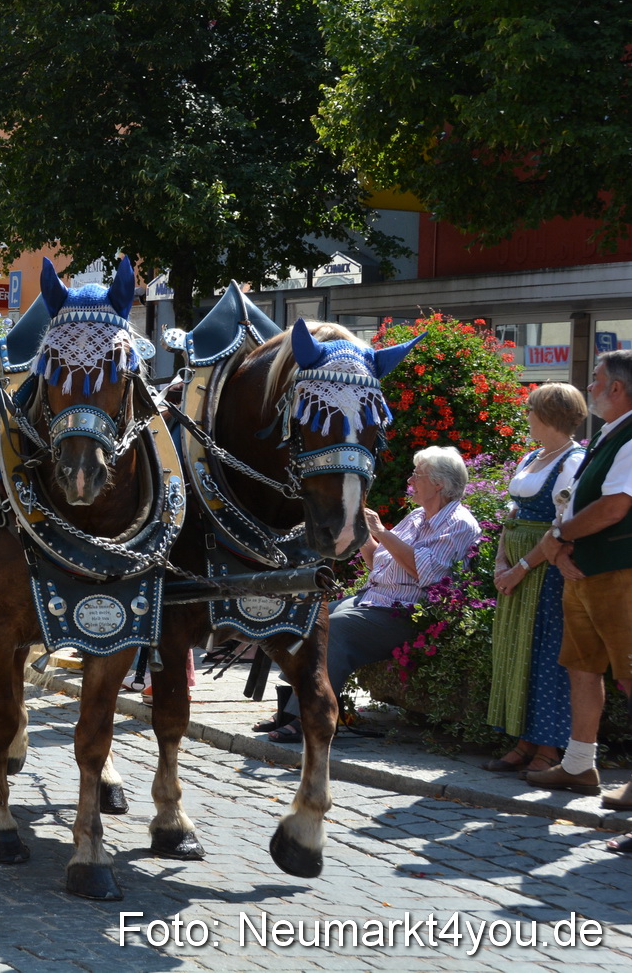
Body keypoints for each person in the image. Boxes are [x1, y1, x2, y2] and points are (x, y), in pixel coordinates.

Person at [262, 445, 481, 743]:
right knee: (307, 617)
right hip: (375, 600)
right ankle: (289, 709)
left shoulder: (459, 524)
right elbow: (380, 562)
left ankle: (310, 719)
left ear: (439, 483)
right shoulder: (417, 516)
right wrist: (363, 531)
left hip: (407, 614)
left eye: (417, 475)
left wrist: (382, 532)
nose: (410, 481)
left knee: (334, 629)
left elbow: (427, 574)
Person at [522, 352, 632, 848]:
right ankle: (579, 765)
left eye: (596, 380)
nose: (589, 387)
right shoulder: (611, 433)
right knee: (582, 667)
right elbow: (583, 501)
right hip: (588, 570)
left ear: (618, 389)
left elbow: (614, 508)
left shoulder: (630, 436)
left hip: (619, 571)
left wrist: (561, 537)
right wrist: (562, 545)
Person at [483, 383, 587, 775]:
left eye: (530, 409)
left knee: (545, 653)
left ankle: (548, 748)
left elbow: (561, 528)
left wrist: (520, 568)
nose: (526, 415)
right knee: (518, 652)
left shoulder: (573, 461)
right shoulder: (532, 456)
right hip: (516, 565)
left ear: (547, 415)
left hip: (545, 571)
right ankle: (523, 741)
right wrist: (501, 563)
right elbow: (513, 515)